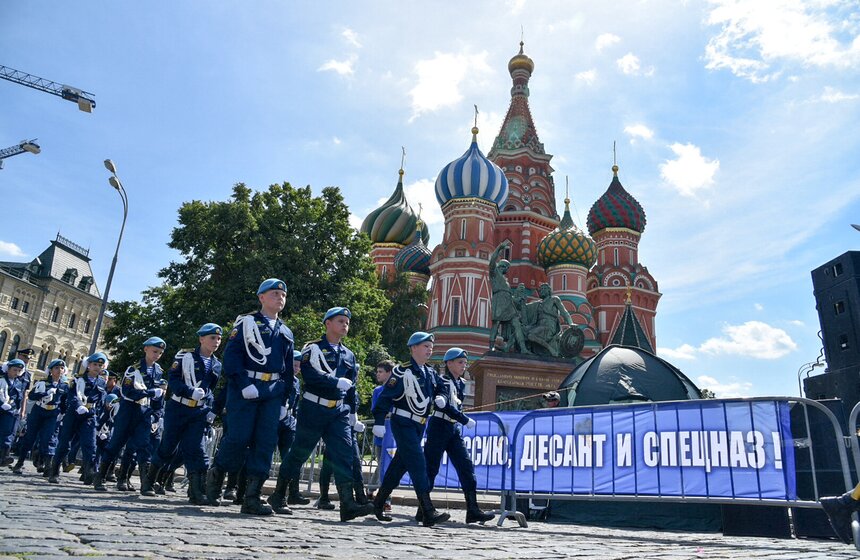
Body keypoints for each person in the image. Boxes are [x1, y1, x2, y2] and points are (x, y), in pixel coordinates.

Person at [205, 278, 294, 516]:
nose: (280, 297)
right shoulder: (246, 323)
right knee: (237, 438)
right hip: (246, 389)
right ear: (261, 297)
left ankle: (252, 495)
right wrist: (244, 383)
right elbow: (232, 357)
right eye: (274, 293)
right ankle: (215, 477)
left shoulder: (285, 331)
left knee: (265, 443)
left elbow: (287, 370)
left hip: (272, 393)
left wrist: (285, 400)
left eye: (283, 294)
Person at [277, 307, 374, 522]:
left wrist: (353, 413)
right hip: (314, 408)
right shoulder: (313, 349)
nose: (344, 325)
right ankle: (278, 494)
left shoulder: (348, 354)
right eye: (340, 321)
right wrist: (333, 381)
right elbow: (310, 375)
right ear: (327, 323)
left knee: (344, 455)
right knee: (299, 454)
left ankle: (347, 504)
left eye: (347, 322)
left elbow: (352, 387)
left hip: (338, 411)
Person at [372, 331, 450, 527]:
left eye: (431, 346)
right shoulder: (401, 372)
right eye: (425, 346)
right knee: (418, 463)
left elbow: (442, 387)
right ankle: (428, 510)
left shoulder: (430, 372)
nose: (429, 349)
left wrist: (442, 396)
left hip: (419, 424)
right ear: (413, 348)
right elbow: (385, 398)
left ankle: (378, 502)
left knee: (399, 465)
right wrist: (380, 421)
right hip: (403, 422)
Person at [146, 323, 223, 505]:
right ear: (201, 339)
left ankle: (196, 492)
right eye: (213, 338)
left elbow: (210, 388)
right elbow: (173, 379)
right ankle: (149, 481)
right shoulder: (185, 356)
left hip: (198, 411)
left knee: (196, 448)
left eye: (219, 339)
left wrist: (211, 409)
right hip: (179, 407)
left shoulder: (217, 364)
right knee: (168, 447)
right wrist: (189, 392)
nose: (216, 342)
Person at [423, 347, 494, 524]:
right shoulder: (443, 381)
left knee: (466, 468)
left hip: (453, 429)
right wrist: (464, 419)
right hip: (439, 426)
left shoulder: (461, 383)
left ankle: (473, 509)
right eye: (460, 362)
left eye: (465, 362)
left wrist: (460, 418)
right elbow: (444, 405)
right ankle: (424, 509)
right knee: (431, 469)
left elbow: (457, 404)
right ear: (449, 363)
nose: (464, 365)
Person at [93, 337, 166, 493]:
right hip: (129, 410)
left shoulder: (158, 371)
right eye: (154, 351)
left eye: (160, 353)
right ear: (146, 349)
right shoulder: (134, 369)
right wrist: (149, 392)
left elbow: (158, 396)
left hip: (144, 412)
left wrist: (157, 414)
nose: (157, 355)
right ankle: (100, 477)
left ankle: (146, 484)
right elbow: (127, 392)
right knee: (116, 444)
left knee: (143, 447)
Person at [49, 353, 108, 484]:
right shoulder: (78, 380)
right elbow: (72, 396)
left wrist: (99, 417)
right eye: (95, 365)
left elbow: (101, 401)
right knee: (64, 443)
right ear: (88, 366)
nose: (97, 367)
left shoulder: (101, 382)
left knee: (90, 445)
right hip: (74, 414)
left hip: (89, 415)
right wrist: (78, 406)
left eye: (100, 365)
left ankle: (89, 473)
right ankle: (54, 471)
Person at [11, 359, 69, 475]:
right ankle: (20, 463)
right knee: (30, 437)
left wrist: (63, 413)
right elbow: (31, 395)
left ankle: (48, 467)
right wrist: (44, 394)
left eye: (62, 368)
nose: (59, 370)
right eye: (56, 368)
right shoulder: (43, 382)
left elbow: (65, 402)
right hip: (38, 411)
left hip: (52, 414)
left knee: (49, 439)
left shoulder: (65, 385)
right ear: (51, 370)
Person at [266, 350, 302, 514]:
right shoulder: (279, 378)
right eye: (294, 364)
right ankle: (246, 491)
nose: (296, 368)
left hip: (288, 422)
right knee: (264, 454)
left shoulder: (296, 382)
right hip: (273, 421)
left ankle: (291, 493)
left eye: (298, 366)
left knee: (290, 458)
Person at [0, 358, 29, 466]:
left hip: (13, 411)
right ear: (8, 369)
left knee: (11, 433)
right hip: (3, 409)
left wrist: (21, 410)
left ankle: (4, 456)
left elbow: (21, 397)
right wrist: (1, 404)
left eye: (18, 371)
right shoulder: (2, 380)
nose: (16, 373)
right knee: (4, 432)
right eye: (14, 370)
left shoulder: (19, 382)